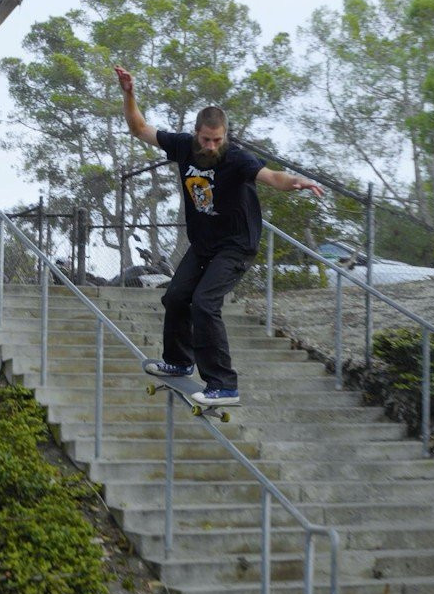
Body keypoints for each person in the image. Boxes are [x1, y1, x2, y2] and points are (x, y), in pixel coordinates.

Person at [114, 64, 324, 406]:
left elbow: (272, 177)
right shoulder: (182, 146)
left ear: (225, 136)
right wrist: (129, 93)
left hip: (236, 247)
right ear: (196, 133)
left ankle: (224, 383)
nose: (211, 146)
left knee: (205, 303)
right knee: (176, 296)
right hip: (204, 246)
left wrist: (296, 182)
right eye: (206, 139)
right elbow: (138, 128)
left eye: (218, 140)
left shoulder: (237, 159)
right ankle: (179, 362)